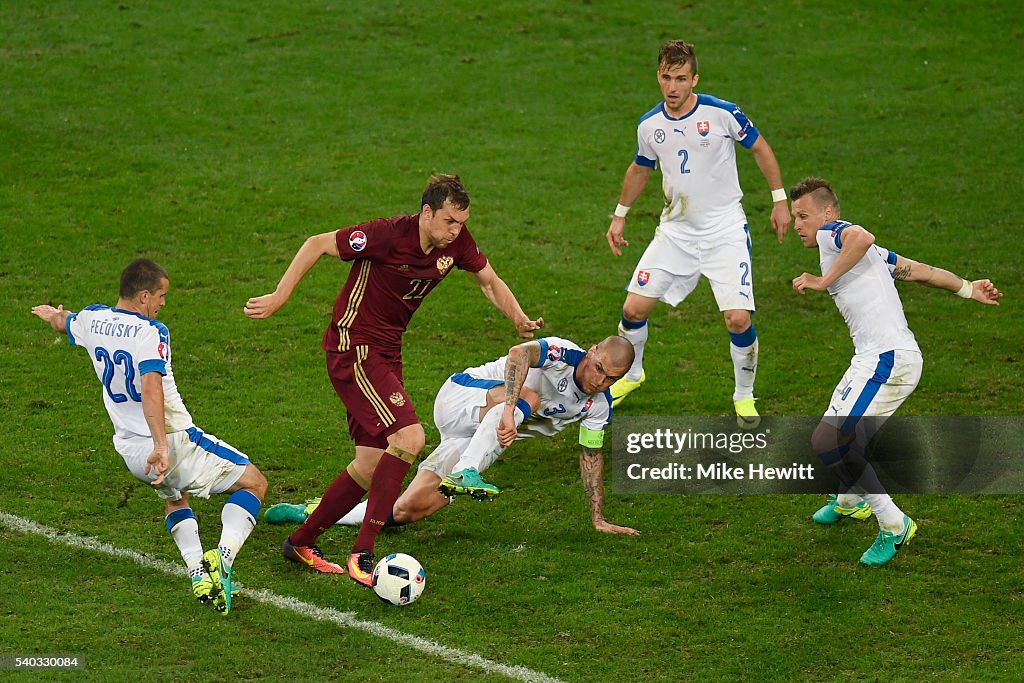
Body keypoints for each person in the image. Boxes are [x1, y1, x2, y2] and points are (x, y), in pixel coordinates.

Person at [244, 174, 543, 585]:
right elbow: (317, 243)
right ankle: (363, 552)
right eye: (450, 222)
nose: (457, 231)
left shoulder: (455, 242)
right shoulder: (386, 235)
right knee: (409, 439)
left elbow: (488, 280)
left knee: (370, 464)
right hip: (355, 347)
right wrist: (280, 295)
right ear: (426, 213)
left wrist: (518, 317)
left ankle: (300, 542)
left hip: (387, 351)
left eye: (461, 223)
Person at [31, 259, 268, 615]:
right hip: (171, 443)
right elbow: (151, 385)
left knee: (176, 498)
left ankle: (197, 574)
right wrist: (161, 444)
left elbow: (64, 322)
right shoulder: (151, 332)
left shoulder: (92, 319)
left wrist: (52, 314)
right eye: (160, 295)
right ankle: (223, 557)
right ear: (143, 296)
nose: (162, 304)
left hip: (131, 452)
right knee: (254, 483)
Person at [790, 177, 1002, 566]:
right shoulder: (870, 255)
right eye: (795, 218)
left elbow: (862, 236)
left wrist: (823, 281)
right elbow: (919, 271)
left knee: (828, 441)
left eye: (804, 216)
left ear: (828, 212)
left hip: (886, 360)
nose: (798, 225)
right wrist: (969, 289)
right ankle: (851, 500)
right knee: (842, 435)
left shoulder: (834, 234)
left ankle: (893, 524)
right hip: (878, 358)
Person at [266, 336, 640, 535]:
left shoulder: (598, 407)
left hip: (482, 436)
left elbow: (591, 456)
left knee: (408, 510)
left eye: (610, 379)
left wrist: (598, 518)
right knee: (529, 394)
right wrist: (511, 408)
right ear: (591, 352)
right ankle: (466, 472)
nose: (598, 381)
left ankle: (314, 512)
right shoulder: (563, 354)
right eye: (597, 368)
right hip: (464, 396)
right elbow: (518, 354)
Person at [605, 40, 791, 427]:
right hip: (675, 233)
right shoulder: (649, 126)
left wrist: (779, 201)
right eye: (666, 78)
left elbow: (761, 149)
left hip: (724, 232)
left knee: (738, 319)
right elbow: (640, 169)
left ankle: (744, 396)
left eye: (681, 79)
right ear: (658, 76)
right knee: (632, 309)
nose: (672, 87)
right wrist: (620, 215)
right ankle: (633, 375)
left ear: (694, 79)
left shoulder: (723, 114)